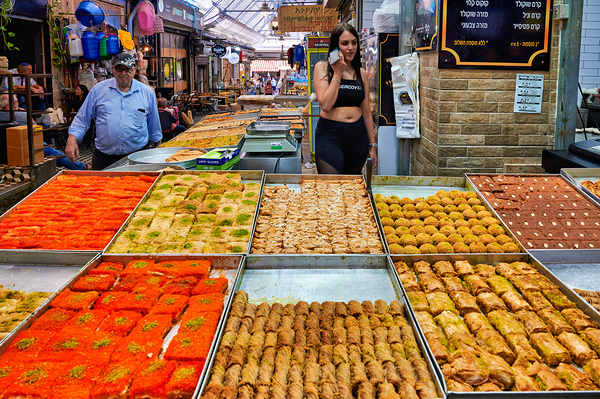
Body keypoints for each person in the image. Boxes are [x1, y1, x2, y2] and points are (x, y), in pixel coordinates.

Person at [66, 53, 162, 170]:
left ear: (135, 69)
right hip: (103, 159)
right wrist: (72, 138)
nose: (123, 73)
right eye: (119, 69)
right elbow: (82, 118)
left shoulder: (147, 93)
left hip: (137, 158)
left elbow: (154, 126)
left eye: (128, 69)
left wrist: (159, 151)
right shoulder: (98, 90)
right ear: (112, 69)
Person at [313, 22, 377, 174]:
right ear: (336, 46)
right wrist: (338, 73)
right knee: (331, 189)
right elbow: (326, 105)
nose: (351, 47)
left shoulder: (361, 74)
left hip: (358, 139)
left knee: (352, 189)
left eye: (354, 43)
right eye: (345, 43)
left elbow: (367, 113)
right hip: (330, 137)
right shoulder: (322, 68)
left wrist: (372, 146)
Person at [0, 94, 87, 170]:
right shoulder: (22, 114)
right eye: (17, 102)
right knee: (56, 153)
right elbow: (36, 129)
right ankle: (81, 167)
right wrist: (26, 114)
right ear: (15, 104)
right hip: (28, 144)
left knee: (45, 118)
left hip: (7, 147)